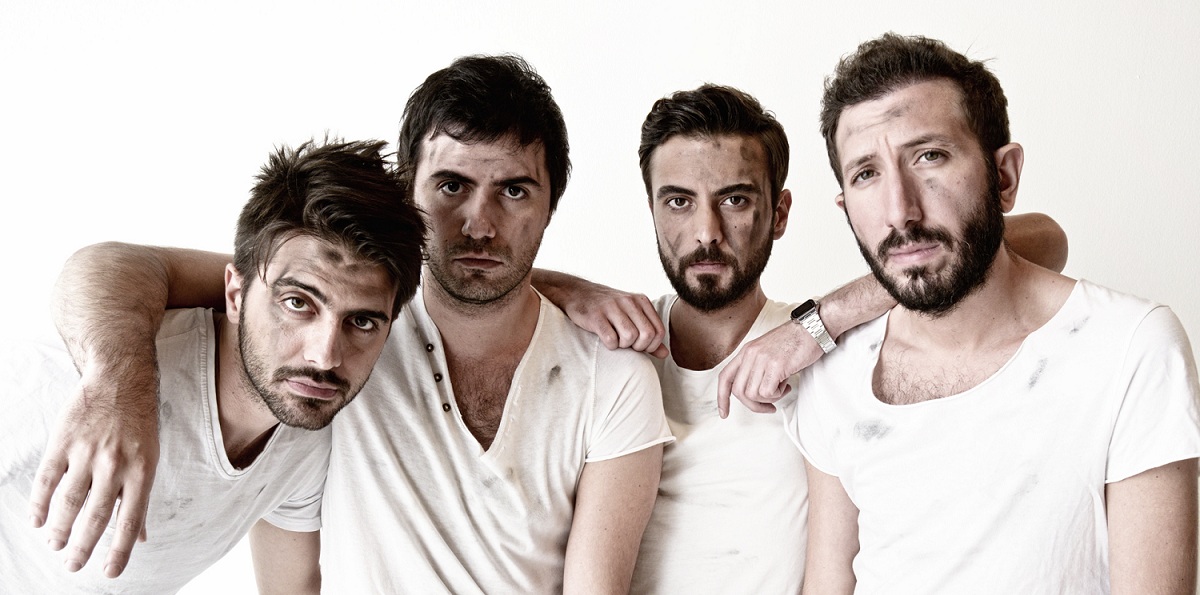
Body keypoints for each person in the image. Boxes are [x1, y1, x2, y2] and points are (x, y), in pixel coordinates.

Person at [30, 54, 672, 593]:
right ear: (409, 192)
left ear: (552, 204)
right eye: (451, 185)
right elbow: (119, 266)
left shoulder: (608, 377)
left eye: (513, 191)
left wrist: (564, 290)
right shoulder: (338, 326)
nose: (479, 225)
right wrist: (117, 390)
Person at [534, 85, 1067, 593]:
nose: (706, 232)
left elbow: (1046, 238)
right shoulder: (613, 341)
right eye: (678, 202)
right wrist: (569, 289)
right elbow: (482, 277)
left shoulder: (824, 344)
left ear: (780, 213)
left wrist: (823, 321)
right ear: (651, 209)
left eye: (734, 199)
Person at [721, 33, 1200, 593]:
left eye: (930, 156)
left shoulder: (1128, 348)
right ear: (845, 205)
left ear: (1005, 177)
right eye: (866, 174)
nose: (900, 211)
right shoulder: (836, 372)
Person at [1, 138, 426, 593]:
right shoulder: (75, 384)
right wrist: (112, 395)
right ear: (236, 295)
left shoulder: (306, 435)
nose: (325, 356)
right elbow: (100, 266)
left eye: (361, 321)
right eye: (297, 303)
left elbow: (290, 587)